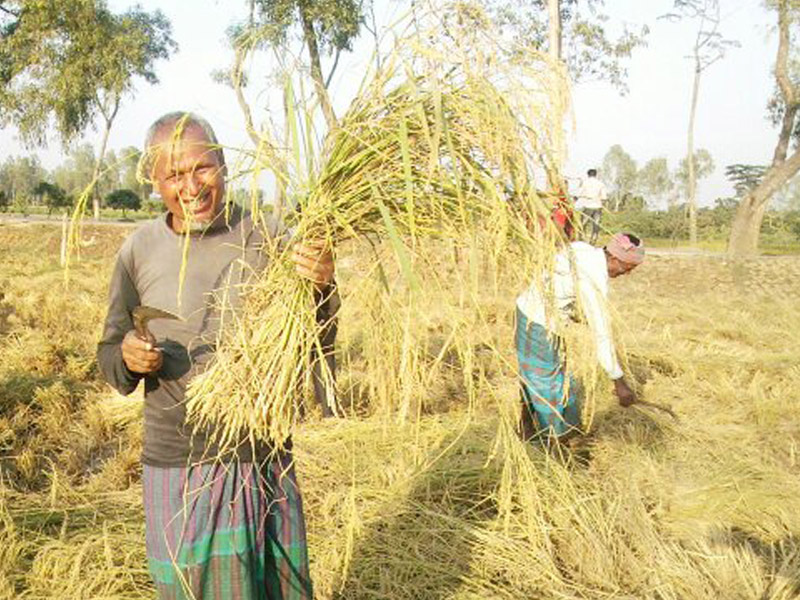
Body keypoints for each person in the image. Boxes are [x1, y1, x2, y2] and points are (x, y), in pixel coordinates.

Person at [97, 112, 334, 599]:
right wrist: (128, 357)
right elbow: (109, 352)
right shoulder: (139, 250)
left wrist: (322, 286)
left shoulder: (269, 238)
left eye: (202, 168)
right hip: (180, 464)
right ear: (153, 181)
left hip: (263, 456)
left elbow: (317, 340)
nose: (191, 186)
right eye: (173, 175)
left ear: (224, 163)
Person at [514, 233, 645, 443]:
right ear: (614, 259)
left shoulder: (581, 248)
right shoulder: (594, 281)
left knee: (542, 376)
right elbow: (602, 335)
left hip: (535, 313)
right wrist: (619, 383)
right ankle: (557, 444)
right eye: (627, 268)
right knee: (550, 386)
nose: (625, 274)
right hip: (537, 322)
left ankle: (528, 429)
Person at [575, 168, 608, 245]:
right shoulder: (601, 184)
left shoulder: (585, 182)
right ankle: (593, 241)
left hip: (588, 206)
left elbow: (579, 193)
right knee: (596, 225)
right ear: (595, 175)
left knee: (583, 224)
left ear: (588, 175)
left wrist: (575, 199)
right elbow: (604, 197)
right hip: (598, 207)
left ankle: (581, 240)